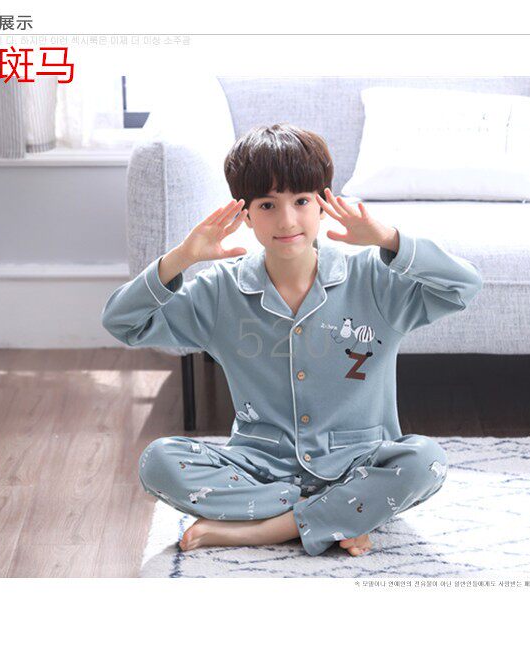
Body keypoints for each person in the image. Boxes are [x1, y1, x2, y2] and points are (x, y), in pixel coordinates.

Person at [101, 123, 483, 557]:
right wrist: (181, 258)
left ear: (323, 204)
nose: (286, 221)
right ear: (245, 215)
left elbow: (464, 286)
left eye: (301, 201)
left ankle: (264, 528)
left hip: (358, 463)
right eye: (267, 205)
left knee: (425, 461)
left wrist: (387, 239)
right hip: (260, 468)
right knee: (158, 461)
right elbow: (123, 323)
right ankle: (337, 515)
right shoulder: (221, 291)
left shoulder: (373, 280)